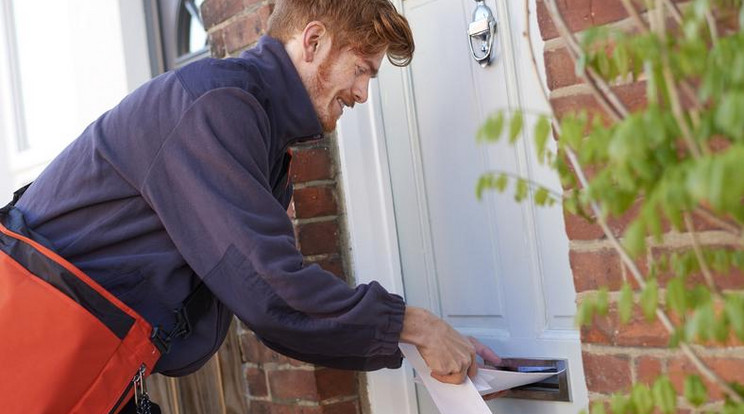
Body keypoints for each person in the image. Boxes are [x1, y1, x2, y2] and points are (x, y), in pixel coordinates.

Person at [11, 0, 500, 407]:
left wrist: (409, 336)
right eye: (361, 69)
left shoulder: (255, 126)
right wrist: (416, 326)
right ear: (313, 42)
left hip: (71, 368)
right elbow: (271, 293)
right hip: (26, 361)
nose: (363, 94)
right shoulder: (216, 108)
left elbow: (269, 300)